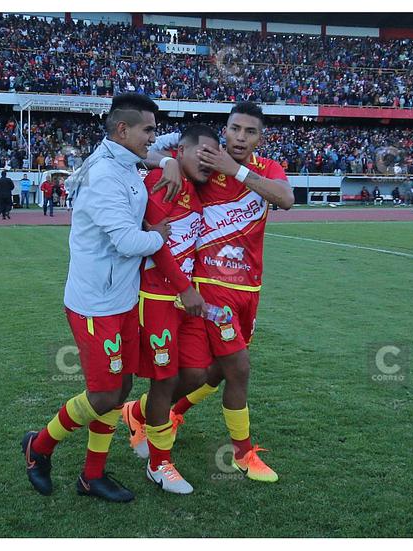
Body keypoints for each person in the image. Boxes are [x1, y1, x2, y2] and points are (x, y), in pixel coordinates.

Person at [21, 93, 178, 503]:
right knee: (105, 394)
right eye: (148, 130)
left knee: (121, 386)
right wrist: (159, 237)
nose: (153, 138)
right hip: (96, 305)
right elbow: (127, 241)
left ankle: (92, 476)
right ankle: (39, 446)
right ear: (123, 130)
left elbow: (163, 146)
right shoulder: (106, 174)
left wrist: (168, 159)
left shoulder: (122, 158)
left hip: (122, 299)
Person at [143, 101, 295, 483]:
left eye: (250, 132)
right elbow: (147, 153)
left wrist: (237, 171)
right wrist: (169, 161)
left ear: (260, 138)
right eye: (235, 129)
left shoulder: (264, 169)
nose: (240, 137)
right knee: (238, 369)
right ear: (224, 130)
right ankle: (243, 454)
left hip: (250, 288)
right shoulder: (207, 162)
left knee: (208, 372)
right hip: (211, 287)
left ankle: (151, 412)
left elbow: (286, 199)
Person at [120, 125, 218, 495]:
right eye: (202, 153)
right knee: (164, 379)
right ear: (181, 151)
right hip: (159, 297)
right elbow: (156, 243)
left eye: (213, 155)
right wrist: (184, 288)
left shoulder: (199, 186)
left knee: (196, 373)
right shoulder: (162, 180)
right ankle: (158, 465)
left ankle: (137, 412)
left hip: (186, 298)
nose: (207, 161)